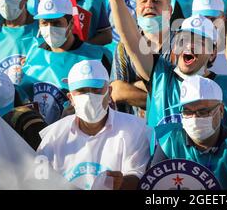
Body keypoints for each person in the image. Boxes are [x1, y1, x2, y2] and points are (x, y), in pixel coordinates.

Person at [97, 0, 227, 132]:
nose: (189, 46)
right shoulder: (160, 76)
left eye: (199, 42)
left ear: (212, 53)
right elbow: (130, 36)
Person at [37, 60, 151, 190]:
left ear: (109, 92)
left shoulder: (135, 129)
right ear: (71, 98)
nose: (89, 96)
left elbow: (137, 175)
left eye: (96, 90)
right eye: (81, 91)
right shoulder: (53, 136)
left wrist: (121, 183)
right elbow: (38, 180)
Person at [19, 0, 112, 125]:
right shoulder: (32, 52)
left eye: (56, 23)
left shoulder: (98, 56)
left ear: (71, 24)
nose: (49, 28)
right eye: (44, 23)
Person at [151, 75, 227, 190]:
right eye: (187, 112)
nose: (194, 118)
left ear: (221, 110)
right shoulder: (168, 142)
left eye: (203, 112)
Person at [110, 0, 173, 116]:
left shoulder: (183, 43)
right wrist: (162, 99)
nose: (149, 5)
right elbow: (117, 91)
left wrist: (134, 88)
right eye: (143, 1)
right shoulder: (123, 47)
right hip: (134, 127)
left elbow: (179, 91)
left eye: (156, 1)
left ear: (170, 10)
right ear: (136, 9)